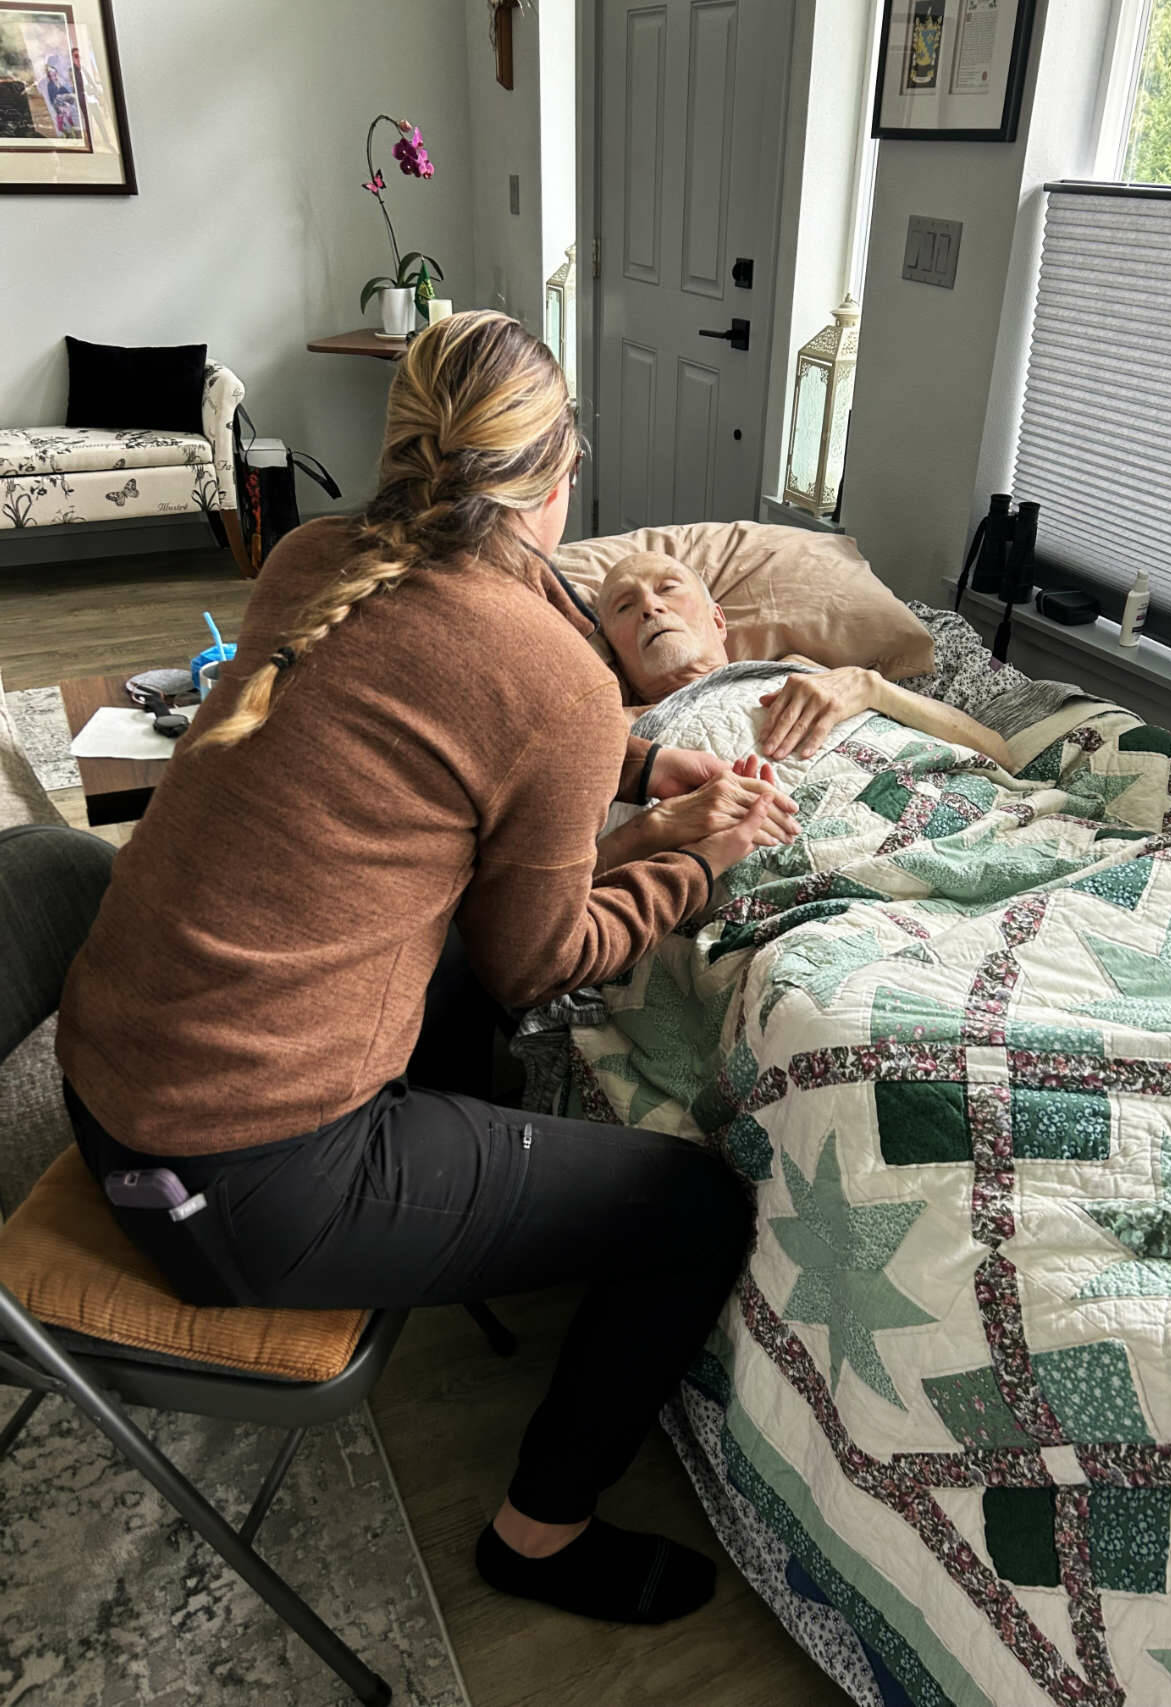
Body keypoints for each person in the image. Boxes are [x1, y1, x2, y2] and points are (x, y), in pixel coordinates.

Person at [55, 311, 801, 1628]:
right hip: (241, 1195)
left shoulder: (308, 558)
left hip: (111, 1087)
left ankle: (468, 1199)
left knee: (441, 925)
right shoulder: (557, 677)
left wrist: (633, 768)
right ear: (562, 477)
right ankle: (540, 1531)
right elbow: (542, 963)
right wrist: (698, 852)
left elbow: (439, 703)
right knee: (697, 1210)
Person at [597, 551, 1013, 769]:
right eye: (624, 607)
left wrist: (873, 688)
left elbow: (1000, 754)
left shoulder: (796, 668)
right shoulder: (617, 728)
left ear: (718, 619)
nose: (650, 607)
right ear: (616, 657)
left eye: (667, 588)